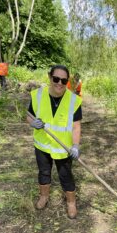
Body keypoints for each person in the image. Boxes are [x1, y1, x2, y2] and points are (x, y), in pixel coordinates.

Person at [27, 64, 82, 219]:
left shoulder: (73, 100)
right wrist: (32, 122)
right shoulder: (38, 95)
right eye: (56, 79)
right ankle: (44, 197)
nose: (59, 83)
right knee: (44, 172)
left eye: (64, 81)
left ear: (67, 82)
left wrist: (76, 146)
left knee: (66, 176)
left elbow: (76, 127)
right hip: (42, 145)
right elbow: (29, 115)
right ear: (50, 77)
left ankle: (71, 203)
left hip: (63, 148)